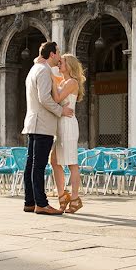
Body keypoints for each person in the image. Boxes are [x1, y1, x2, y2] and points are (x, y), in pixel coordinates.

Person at [22, 41, 74, 215]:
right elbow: (44, 98)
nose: (59, 57)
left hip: (33, 122)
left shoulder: (34, 69)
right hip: (42, 124)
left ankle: (29, 201)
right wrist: (61, 110)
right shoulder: (44, 70)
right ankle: (41, 204)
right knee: (38, 165)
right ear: (51, 54)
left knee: (31, 164)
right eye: (58, 53)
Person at [50, 54, 86, 214]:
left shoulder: (72, 82)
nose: (59, 64)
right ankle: (63, 194)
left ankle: (75, 198)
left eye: (62, 62)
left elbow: (57, 97)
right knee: (54, 161)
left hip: (68, 124)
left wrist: (51, 80)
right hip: (60, 123)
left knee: (71, 162)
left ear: (69, 65)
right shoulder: (64, 81)